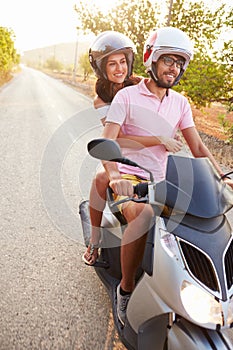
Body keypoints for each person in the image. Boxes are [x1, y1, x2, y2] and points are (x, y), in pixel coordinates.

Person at [99, 26, 233, 325]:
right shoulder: (128, 97)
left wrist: (220, 177)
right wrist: (113, 175)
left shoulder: (180, 103)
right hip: (130, 182)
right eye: (168, 60)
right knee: (145, 215)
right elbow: (108, 141)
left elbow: (197, 146)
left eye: (179, 63)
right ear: (152, 59)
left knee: (203, 220)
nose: (174, 68)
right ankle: (126, 290)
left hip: (164, 181)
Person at [82, 31, 141, 265]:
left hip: (148, 152)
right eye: (112, 64)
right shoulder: (101, 99)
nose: (119, 69)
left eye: (123, 62)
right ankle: (95, 238)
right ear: (101, 69)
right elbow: (117, 137)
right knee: (99, 178)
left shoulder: (140, 86)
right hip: (119, 153)